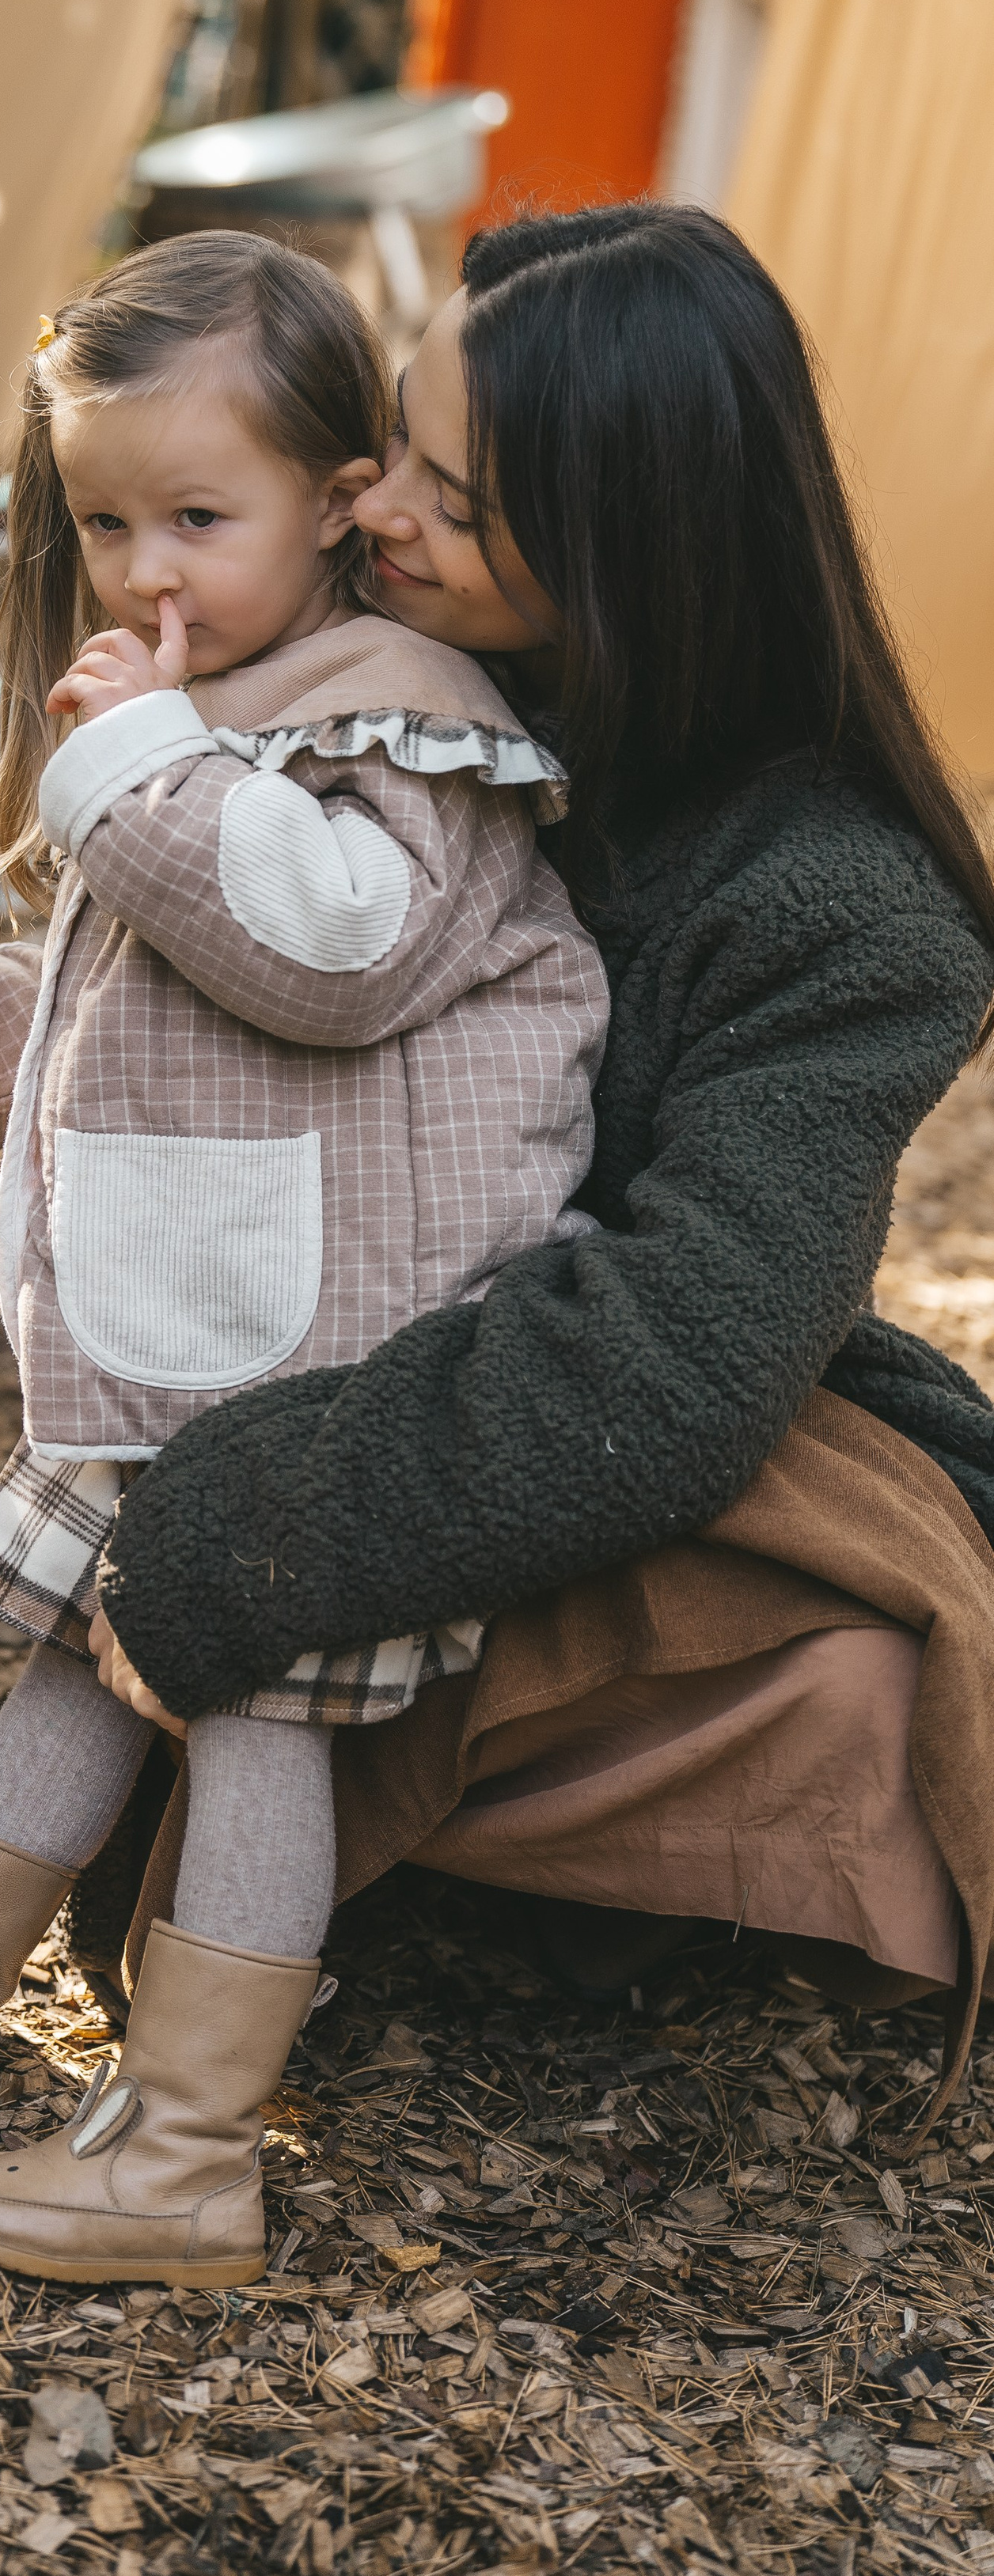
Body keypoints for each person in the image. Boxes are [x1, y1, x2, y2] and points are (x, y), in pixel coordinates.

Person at [0, 230, 610, 2287]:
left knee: (255, 1712)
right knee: (78, 1662)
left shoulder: (408, 720)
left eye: (198, 519)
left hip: (328, 1371)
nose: (143, 572)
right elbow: (107, 961)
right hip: (196, 1336)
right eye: (106, 522)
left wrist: (137, 763)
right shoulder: (210, 712)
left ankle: (194, 2146)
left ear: (336, 500)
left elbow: (325, 951)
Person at [90, 205, 994, 2119]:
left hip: (566, 1397)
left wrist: (244, 1530)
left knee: (867, 1679)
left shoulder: (842, 910)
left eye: (458, 498)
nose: (373, 505)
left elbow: (673, 1356)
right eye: (393, 444)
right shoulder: (386, 702)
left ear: (626, 545)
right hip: (304, 1336)